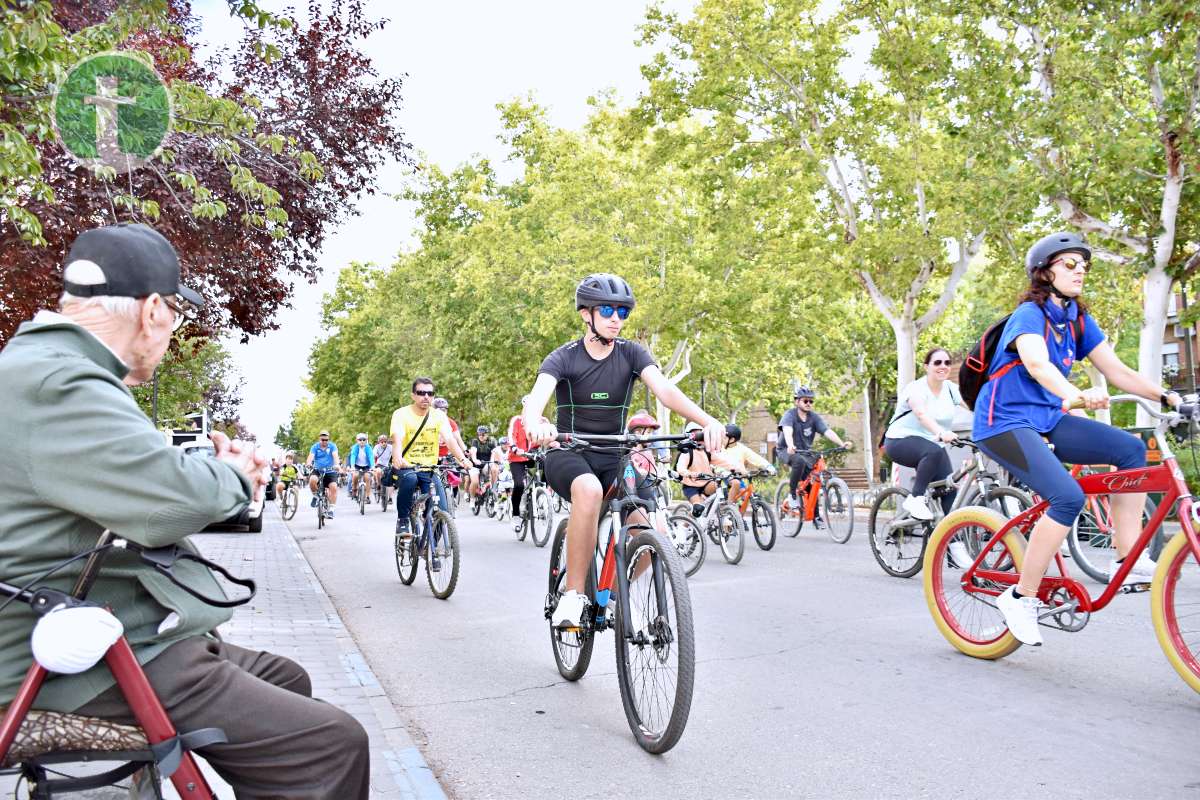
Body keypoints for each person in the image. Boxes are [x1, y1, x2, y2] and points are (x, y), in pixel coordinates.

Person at [0, 223, 369, 797]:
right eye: (176, 313)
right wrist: (236, 474)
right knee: (330, 743)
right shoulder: (61, 382)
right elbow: (173, 503)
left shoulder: (42, 369)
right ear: (152, 311)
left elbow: (136, 480)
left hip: (87, 629)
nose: (172, 329)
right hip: (63, 664)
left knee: (288, 678)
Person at [975, 231, 1179, 647]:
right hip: (1003, 422)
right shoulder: (1029, 315)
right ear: (1045, 272)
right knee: (1067, 497)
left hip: (1046, 419)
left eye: (1084, 263)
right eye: (1070, 263)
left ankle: (1127, 555)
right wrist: (1075, 394)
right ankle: (1021, 597)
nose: (1080, 269)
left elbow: (1118, 371)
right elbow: (1036, 363)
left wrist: (1168, 396)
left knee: (1130, 449)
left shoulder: (1078, 320)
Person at [524, 273, 726, 630]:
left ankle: (612, 597)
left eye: (623, 311)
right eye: (607, 309)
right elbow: (536, 401)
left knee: (655, 530)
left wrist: (708, 421)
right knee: (588, 490)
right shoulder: (564, 357)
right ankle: (573, 598)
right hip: (570, 453)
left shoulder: (632, 353)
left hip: (615, 455)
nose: (616, 318)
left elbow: (665, 391)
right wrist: (536, 424)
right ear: (586, 313)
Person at [391, 378, 471, 569]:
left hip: (429, 469)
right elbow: (398, 439)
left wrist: (464, 460)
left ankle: (429, 548)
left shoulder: (438, 416)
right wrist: (398, 458)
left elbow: (450, 440)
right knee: (409, 480)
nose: (425, 397)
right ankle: (403, 520)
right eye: (421, 393)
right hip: (408, 466)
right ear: (413, 395)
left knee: (441, 511)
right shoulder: (401, 414)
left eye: (429, 393)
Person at [882, 348, 964, 520]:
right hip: (899, 441)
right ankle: (916, 498)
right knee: (933, 451)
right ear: (926, 366)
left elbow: (973, 405)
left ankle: (954, 544)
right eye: (937, 362)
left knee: (948, 490)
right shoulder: (916, 388)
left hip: (932, 445)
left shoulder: (950, 389)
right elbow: (921, 414)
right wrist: (941, 432)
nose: (943, 366)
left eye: (947, 363)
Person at [779, 387, 851, 529]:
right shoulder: (790, 415)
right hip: (787, 450)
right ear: (797, 401)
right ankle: (792, 494)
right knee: (798, 461)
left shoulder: (813, 417)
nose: (808, 403)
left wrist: (841, 443)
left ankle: (816, 516)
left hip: (806, 452)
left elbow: (827, 431)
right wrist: (790, 444)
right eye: (805, 400)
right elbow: (788, 430)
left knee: (814, 479)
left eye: (811, 401)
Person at [508, 397, 550, 533]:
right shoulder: (516, 420)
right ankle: (515, 515)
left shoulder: (543, 421)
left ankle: (545, 492)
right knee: (519, 485)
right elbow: (511, 436)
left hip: (533, 455)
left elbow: (548, 438)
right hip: (517, 457)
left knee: (548, 464)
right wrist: (514, 447)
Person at [711, 423, 775, 507]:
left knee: (746, 496)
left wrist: (768, 466)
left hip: (737, 476)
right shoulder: (719, 448)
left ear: (731, 439)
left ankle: (740, 518)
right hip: (722, 478)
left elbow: (755, 457)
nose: (722, 439)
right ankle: (729, 509)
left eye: (724, 437)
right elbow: (713, 462)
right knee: (735, 484)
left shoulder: (741, 449)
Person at [305, 430, 340, 517]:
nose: (324, 441)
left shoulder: (332, 446)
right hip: (318, 470)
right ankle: (315, 496)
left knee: (334, 487)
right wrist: (308, 463)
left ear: (328, 439)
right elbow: (311, 457)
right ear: (319, 439)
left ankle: (331, 509)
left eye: (326, 440)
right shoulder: (315, 447)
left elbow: (335, 456)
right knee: (312, 480)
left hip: (330, 470)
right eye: (322, 439)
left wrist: (336, 465)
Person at [467, 425, 496, 498]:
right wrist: (475, 460)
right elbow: (473, 451)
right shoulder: (475, 441)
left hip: (486, 464)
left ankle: (493, 489)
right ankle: (472, 499)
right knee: (475, 482)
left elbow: (493, 453)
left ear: (487, 434)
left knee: (493, 470)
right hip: (475, 465)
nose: (481, 436)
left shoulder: (491, 442)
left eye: (483, 434)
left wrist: (492, 462)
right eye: (479, 434)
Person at [348, 432, 375, 502]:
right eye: (360, 440)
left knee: (367, 478)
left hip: (366, 466)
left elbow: (371, 457)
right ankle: (354, 489)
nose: (362, 441)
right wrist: (352, 466)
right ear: (357, 440)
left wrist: (372, 466)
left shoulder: (368, 448)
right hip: (357, 465)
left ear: (366, 440)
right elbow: (353, 456)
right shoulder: (355, 447)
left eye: (364, 439)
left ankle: (367, 497)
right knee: (355, 476)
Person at [373, 433, 394, 504]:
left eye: (385, 442)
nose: (383, 443)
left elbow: (394, 455)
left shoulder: (390, 447)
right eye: (382, 442)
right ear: (379, 442)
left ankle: (390, 498)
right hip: (379, 464)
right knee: (378, 472)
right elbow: (374, 455)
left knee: (391, 480)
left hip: (388, 465)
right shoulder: (376, 447)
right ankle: (379, 484)